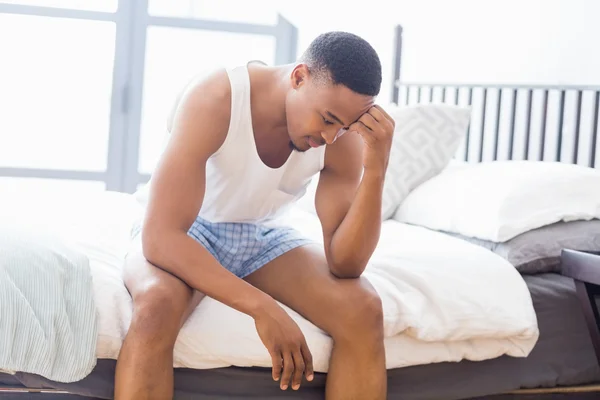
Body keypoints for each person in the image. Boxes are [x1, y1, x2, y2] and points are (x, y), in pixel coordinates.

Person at [114, 31, 395, 400]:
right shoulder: (218, 97)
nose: (331, 137)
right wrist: (263, 308)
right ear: (299, 77)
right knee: (156, 305)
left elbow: (346, 264)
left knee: (363, 309)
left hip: (261, 235)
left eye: (344, 126)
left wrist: (376, 170)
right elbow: (161, 238)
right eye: (327, 119)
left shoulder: (342, 137)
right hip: (189, 229)